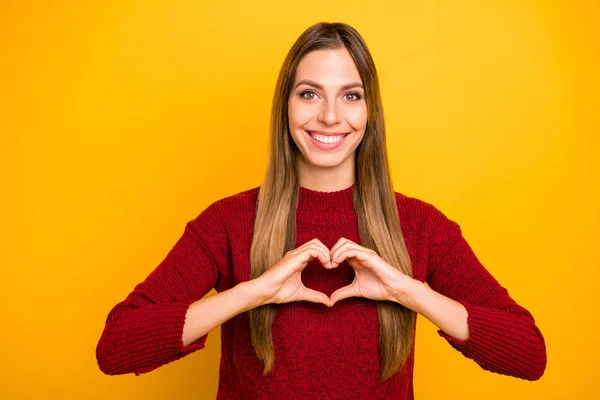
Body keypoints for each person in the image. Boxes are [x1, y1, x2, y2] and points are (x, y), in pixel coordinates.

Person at [96, 22, 547, 399]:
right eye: (310, 94)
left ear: (370, 111)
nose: (330, 116)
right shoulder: (227, 222)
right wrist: (251, 294)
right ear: (285, 106)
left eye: (350, 95)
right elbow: (116, 348)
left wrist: (409, 292)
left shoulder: (422, 226)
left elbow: (528, 354)